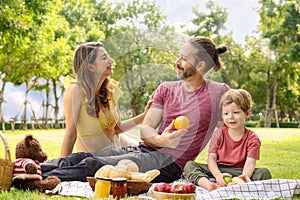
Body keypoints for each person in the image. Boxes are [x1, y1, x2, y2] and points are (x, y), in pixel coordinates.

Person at [41, 36, 230, 183]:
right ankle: (25, 168)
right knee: (82, 157)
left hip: (169, 163)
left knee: (94, 165)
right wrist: (160, 139)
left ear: (201, 65)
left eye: (184, 58)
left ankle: (32, 181)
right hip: (144, 151)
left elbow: (230, 130)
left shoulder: (219, 93)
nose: (177, 61)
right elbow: (147, 130)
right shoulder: (166, 89)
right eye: (178, 56)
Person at [60, 42, 151, 157]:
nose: (111, 60)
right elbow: (70, 134)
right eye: (104, 58)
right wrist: (61, 164)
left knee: (155, 155)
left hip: (116, 148)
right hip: (92, 158)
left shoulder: (110, 89)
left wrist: (144, 116)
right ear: (90, 67)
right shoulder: (76, 91)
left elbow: (117, 129)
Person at [184, 89, 272, 191]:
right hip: (219, 169)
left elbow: (250, 162)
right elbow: (211, 159)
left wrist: (244, 177)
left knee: (264, 173)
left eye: (236, 112)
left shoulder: (252, 138)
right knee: (190, 165)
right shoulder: (218, 134)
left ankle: (239, 186)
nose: (230, 117)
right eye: (226, 113)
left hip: (240, 172)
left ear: (247, 113)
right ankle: (208, 185)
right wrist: (218, 175)